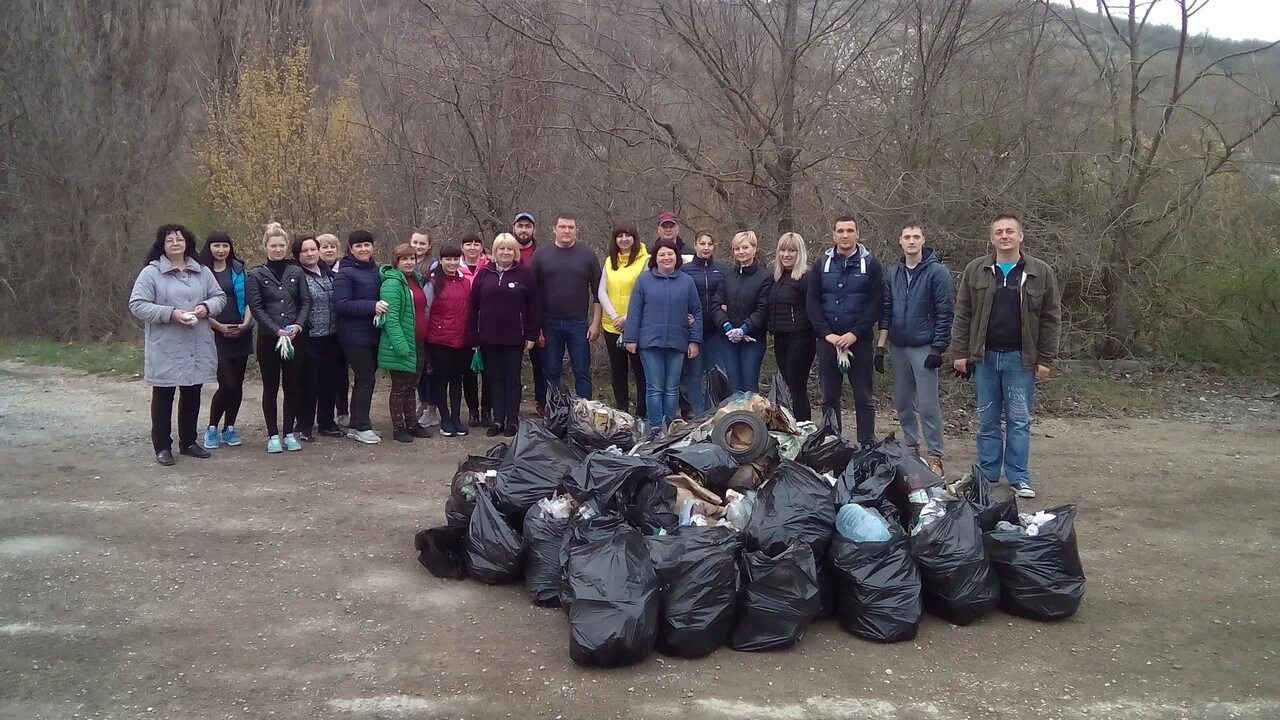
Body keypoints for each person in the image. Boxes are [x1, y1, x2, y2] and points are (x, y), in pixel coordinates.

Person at [950, 213, 1061, 499]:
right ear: (991, 238)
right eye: (998, 232)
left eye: (1010, 231)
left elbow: (1050, 318)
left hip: (1019, 359)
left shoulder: (1040, 272)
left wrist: (1046, 359)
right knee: (987, 420)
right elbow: (963, 314)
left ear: (1021, 236)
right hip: (984, 358)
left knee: (1018, 420)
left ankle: (1019, 477)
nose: (1004, 236)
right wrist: (960, 353)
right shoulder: (976, 270)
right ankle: (987, 475)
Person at [129, 224, 226, 465]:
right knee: (164, 395)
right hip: (166, 344)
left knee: (192, 392)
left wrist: (206, 308)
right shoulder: (151, 273)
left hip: (197, 343)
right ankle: (162, 446)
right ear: (161, 245)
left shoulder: (202, 271)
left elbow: (219, 297)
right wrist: (171, 313)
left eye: (179, 239)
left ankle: (189, 442)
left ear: (188, 243)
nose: (175, 243)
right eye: (169, 239)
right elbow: (138, 304)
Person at [876, 222, 954, 477]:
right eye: (907, 236)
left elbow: (945, 312)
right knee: (902, 403)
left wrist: (939, 347)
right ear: (900, 241)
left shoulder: (937, 272)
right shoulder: (893, 273)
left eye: (916, 237)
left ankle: (935, 455)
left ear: (923, 240)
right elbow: (886, 310)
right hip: (898, 346)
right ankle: (911, 448)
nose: (911, 241)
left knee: (928, 405)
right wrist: (880, 346)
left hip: (924, 346)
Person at [807, 215, 884, 447]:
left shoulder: (871, 264)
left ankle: (867, 443)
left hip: (858, 342)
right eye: (840, 231)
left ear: (857, 234)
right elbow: (812, 302)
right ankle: (832, 441)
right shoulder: (822, 264)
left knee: (863, 397)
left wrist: (855, 333)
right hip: (828, 342)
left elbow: (876, 303)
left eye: (850, 230)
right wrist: (826, 334)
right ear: (833, 234)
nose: (845, 235)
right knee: (829, 397)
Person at [623, 239, 703, 430]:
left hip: (677, 342)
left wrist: (694, 340)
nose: (666, 258)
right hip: (650, 343)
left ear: (676, 257)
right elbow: (635, 311)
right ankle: (655, 429)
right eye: (662, 254)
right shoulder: (644, 280)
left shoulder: (687, 282)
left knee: (671, 388)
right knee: (654, 387)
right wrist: (630, 338)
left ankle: (670, 427)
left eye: (670, 254)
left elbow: (697, 312)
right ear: (655, 258)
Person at [246, 222, 311, 453]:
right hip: (269, 338)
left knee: (293, 386)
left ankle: (289, 432)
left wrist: (298, 326)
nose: (277, 249)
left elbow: (305, 301)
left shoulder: (296, 271)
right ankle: (273, 434)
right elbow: (256, 306)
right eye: (273, 245)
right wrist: (275, 329)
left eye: (281, 245)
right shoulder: (255, 274)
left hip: (295, 338)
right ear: (265, 247)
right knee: (271, 387)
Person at [468, 233, 540, 437]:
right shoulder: (484, 273)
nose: (506, 252)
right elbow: (473, 307)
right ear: (495, 251)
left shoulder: (524, 274)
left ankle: (511, 420)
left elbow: (535, 306)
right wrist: (473, 334)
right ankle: (497, 419)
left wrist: (531, 334)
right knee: (494, 379)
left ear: (515, 252)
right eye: (501, 248)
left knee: (512, 379)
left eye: (509, 249)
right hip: (488, 337)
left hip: (514, 337)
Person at [530, 212, 602, 399]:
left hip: (578, 324)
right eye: (562, 227)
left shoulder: (587, 255)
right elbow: (532, 294)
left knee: (581, 370)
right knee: (552, 371)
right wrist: (536, 328)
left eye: (571, 227)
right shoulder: (541, 255)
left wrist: (595, 323)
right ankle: (553, 412)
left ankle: (584, 413)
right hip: (549, 323)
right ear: (554, 229)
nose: (566, 231)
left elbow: (598, 292)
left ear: (576, 230)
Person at [198, 231, 252, 450]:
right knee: (226, 383)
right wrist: (218, 326)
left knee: (237, 385)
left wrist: (246, 324)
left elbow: (250, 300)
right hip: (214, 334)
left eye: (225, 246)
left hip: (241, 331)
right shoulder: (201, 272)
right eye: (216, 245)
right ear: (209, 247)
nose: (221, 250)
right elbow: (198, 304)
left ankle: (229, 427)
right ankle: (212, 427)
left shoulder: (239, 270)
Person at [333, 230, 385, 444]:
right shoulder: (345, 273)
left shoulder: (377, 270)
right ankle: (362, 426)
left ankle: (355, 424)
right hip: (353, 337)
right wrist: (371, 306)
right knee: (366, 379)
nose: (364, 249)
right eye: (358, 246)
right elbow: (341, 304)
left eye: (367, 244)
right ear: (350, 248)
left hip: (373, 335)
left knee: (365, 380)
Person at [378, 243, 433, 443]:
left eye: (412, 258)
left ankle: (412, 423)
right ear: (396, 262)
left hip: (417, 341)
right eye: (404, 259)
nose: (409, 262)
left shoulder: (415, 280)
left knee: (412, 385)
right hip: (401, 344)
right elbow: (390, 320)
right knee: (400, 387)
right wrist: (401, 346)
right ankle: (398, 427)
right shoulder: (392, 283)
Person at [293, 234, 345, 441]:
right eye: (305, 251)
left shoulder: (328, 273)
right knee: (309, 383)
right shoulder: (296, 275)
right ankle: (304, 425)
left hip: (331, 335)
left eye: (313, 249)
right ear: (298, 254)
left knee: (329, 381)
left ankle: (326, 422)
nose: (310, 253)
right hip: (309, 336)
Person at [598, 223, 649, 417]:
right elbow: (602, 290)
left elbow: (644, 292)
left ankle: (641, 414)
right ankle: (622, 413)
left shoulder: (645, 260)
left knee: (640, 371)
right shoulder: (610, 261)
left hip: (637, 325)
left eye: (628, 235)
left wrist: (628, 318)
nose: (624, 239)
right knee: (618, 372)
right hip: (612, 326)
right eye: (620, 236)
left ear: (635, 238)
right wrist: (614, 316)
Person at [712, 231, 772, 393]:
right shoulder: (727, 275)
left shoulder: (765, 276)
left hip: (753, 340)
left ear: (754, 248)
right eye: (737, 248)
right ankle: (736, 417)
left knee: (749, 386)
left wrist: (744, 329)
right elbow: (716, 305)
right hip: (729, 339)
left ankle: (750, 417)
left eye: (745, 247)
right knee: (734, 386)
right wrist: (727, 326)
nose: (741, 252)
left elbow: (763, 309)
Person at [425, 244, 474, 436]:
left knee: (457, 379)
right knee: (441, 379)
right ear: (441, 260)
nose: (452, 263)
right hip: (439, 340)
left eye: (455, 259)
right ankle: (444, 417)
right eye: (448, 259)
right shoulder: (433, 282)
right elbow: (427, 310)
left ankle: (455, 417)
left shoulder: (464, 281)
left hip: (461, 339)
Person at [768, 232, 815, 421]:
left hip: (801, 339)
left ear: (799, 253)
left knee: (798, 388)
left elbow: (813, 309)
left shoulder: (806, 278)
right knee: (789, 384)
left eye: (791, 250)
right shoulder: (778, 278)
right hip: (780, 339)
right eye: (783, 250)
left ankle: (804, 426)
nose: (786, 254)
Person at [680, 231, 727, 414]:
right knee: (694, 374)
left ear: (714, 246)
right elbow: (680, 297)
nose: (706, 247)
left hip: (716, 331)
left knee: (716, 373)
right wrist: (684, 314)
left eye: (709, 244)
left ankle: (714, 413)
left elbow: (730, 293)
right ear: (696, 245)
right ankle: (698, 415)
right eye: (702, 243)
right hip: (694, 332)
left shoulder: (722, 269)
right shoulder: (685, 270)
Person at [512, 211, 547, 414]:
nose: (523, 230)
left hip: (537, 315)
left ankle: (542, 402)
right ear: (514, 228)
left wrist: (540, 326)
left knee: (541, 363)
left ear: (533, 229)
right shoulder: (505, 250)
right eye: (520, 226)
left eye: (527, 226)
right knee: (510, 363)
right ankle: (510, 405)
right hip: (511, 316)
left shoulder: (542, 253)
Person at [457, 232, 491, 427]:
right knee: (468, 373)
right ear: (462, 247)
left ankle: (487, 409)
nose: (472, 247)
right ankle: (472, 410)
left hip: (487, 325)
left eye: (476, 244)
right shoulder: (454, 267)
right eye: (467, 244)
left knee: (489, 372)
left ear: (481, 247)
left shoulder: (490, 266)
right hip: (464, 327)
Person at [409, 230, 442, 429]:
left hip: (429, 320)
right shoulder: (406, 263)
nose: (418, 246)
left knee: (430, 368)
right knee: (418, 368)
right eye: (415, 242)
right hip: (412, 322)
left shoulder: (433, 266)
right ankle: (422, 402)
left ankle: (432, 408)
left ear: (429, 246)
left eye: (422, 243)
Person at [317, 233, 350, 425]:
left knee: (341, 373)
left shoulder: (345, 269)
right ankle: (320, 414)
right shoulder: (312, 270)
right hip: (319, 330)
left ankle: (343, 411)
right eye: (325, 247)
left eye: (332, 247)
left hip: (342, 329)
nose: (329, 250)